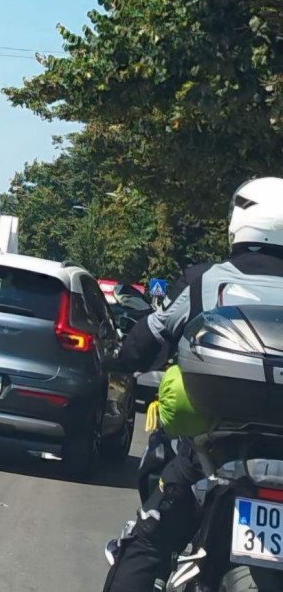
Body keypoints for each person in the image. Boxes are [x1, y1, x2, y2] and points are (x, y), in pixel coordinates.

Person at [103, 176, 283, 591]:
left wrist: (121, 361)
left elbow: (151, 335)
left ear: (240, 221)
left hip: (215, 452)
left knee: (146, 545)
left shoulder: (206, 281)